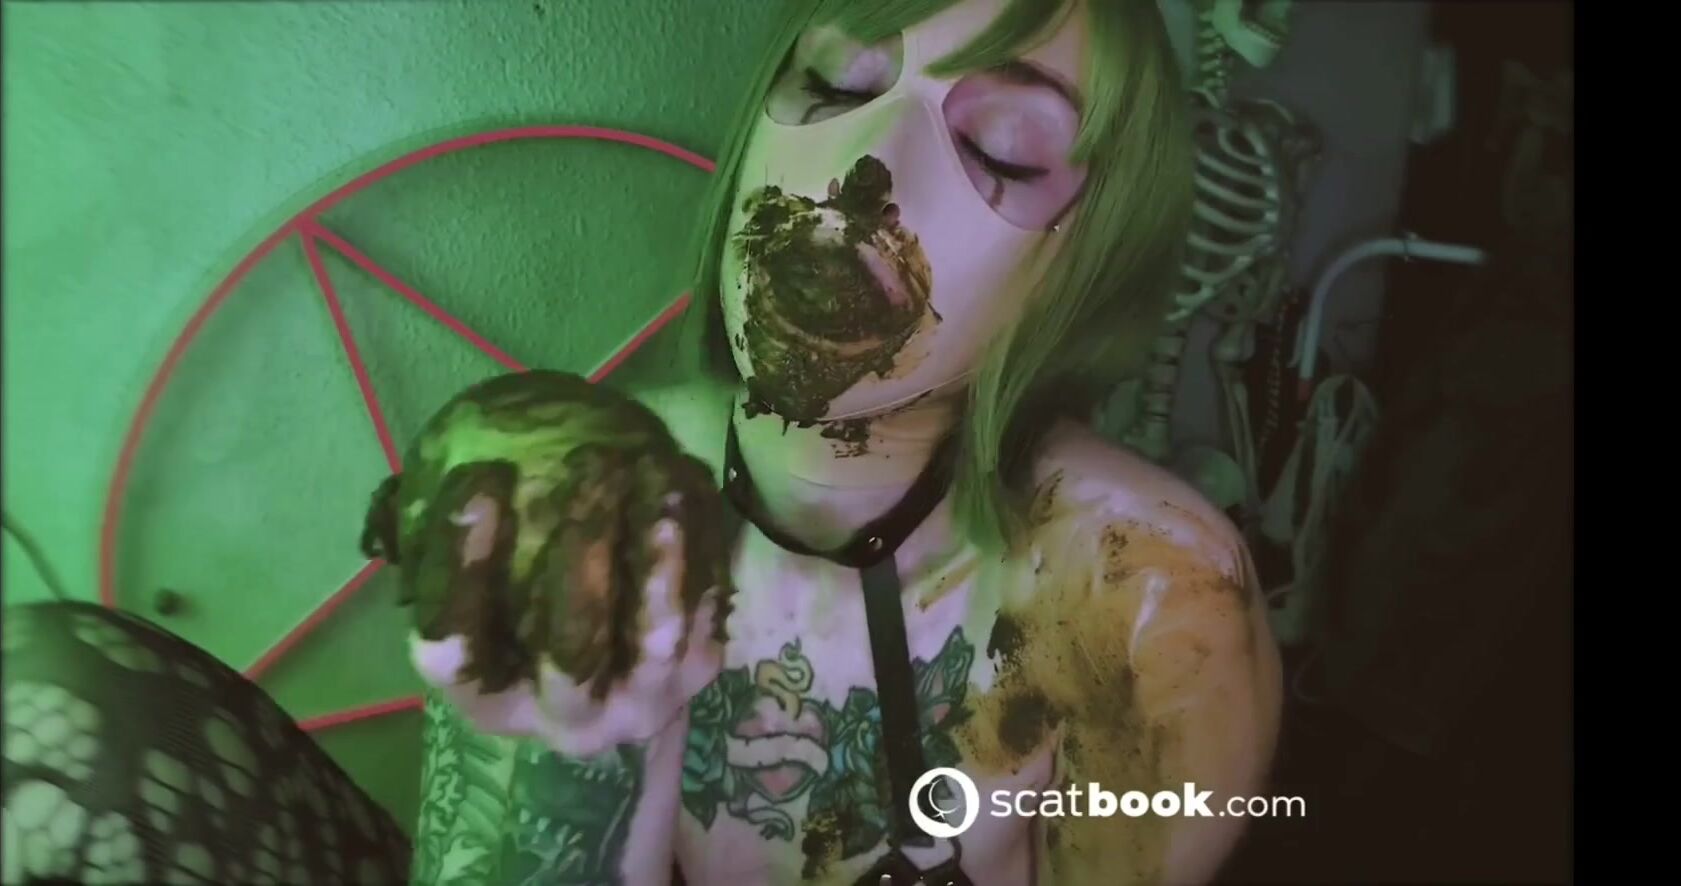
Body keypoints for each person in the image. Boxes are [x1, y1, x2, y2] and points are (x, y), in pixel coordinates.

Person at [373, 1, 1283, 883]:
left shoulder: (1146, 590)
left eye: (999, 149)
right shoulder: (558, 503)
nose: (859, 168)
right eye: (834, 84)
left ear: (1079, 263)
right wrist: (587, 753)